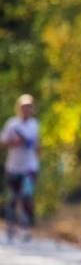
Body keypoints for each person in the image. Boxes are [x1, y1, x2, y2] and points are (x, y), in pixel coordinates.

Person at [1, 94, 41, 242]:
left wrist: (37, 149)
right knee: (12, 198)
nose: (26, 110)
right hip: (13, 167)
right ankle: (11, 225)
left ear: (32, 109)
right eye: (24, 107)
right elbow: (3, 142)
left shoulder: (35, 125)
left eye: (29, 107)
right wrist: (16, 142)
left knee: (26, 195)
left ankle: (25, 228)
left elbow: (37, 144)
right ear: (19, 108)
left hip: (30, 166)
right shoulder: (12, 124)